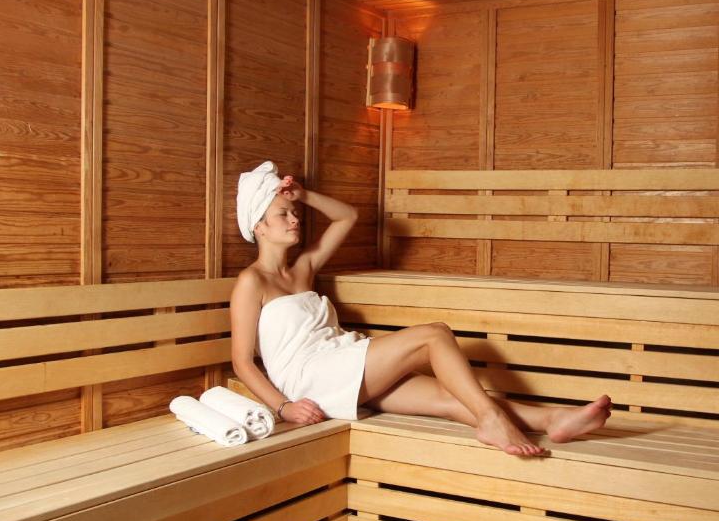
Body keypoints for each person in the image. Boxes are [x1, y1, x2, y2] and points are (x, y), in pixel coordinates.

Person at [229, 161, 613, 457]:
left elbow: (348, 217)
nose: (294, 219)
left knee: (449, 398)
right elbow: (242, 362)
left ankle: (553, 419)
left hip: (340, 362)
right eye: (283, 214)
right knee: (434, 335)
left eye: (293, 212)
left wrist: (302, 195)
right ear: (259, 227)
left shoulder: (304, 268)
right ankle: (492, 419)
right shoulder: (252, 281)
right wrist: (284, 408)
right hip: (310, 379)